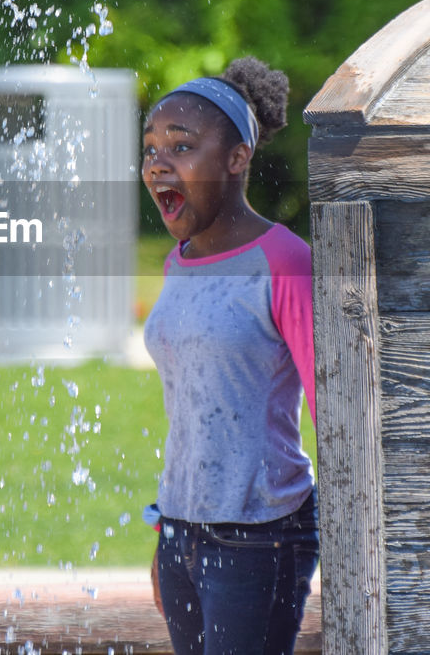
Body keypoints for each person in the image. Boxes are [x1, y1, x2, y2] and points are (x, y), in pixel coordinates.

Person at [140, 57, 317, 655]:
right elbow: (190, 410)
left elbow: (336, 410)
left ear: (237, 157)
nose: (158, 163)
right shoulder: (177, 262)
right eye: (151, 149)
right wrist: (170, 532)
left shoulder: (284, 262)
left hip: (259, 535)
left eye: (182, 146)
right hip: (181, 532)